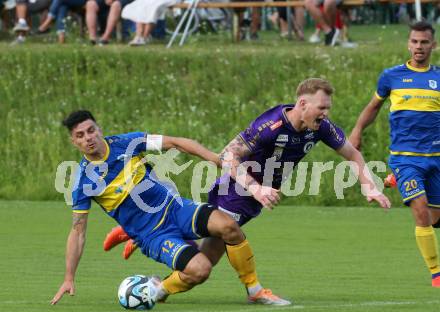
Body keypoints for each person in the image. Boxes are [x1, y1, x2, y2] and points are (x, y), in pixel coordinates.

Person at [104, 78, 391, 283]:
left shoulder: (320, 128)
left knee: (209, 251)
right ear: (303, 103)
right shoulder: (270, 125)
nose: (326, 114)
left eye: (328, 108)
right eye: (322, 108)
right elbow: (229, 155)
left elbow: (353, 154)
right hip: (235, 189)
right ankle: (247, 290)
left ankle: (136, 236)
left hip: (257, 194)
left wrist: (369, 186)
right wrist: (256, 187)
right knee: (210, 253)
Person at [51, 110, 290, 306]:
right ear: (74, 141)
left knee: (229, 226)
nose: (88, 138)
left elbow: (176, 143)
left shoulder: (126, 143)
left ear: (99, 129)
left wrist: (215, 160)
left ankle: (255, 290)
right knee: (200, 271)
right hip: (153, 235)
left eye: (91, 130)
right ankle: (158, 288)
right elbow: (78, 231)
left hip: (176, 209)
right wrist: (69, 277)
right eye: (80, 135)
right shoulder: (83, 182)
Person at [349, 21, 440, 288]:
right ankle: (436, 273)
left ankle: (394, 180)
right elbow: (373, 107)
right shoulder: (392, 76)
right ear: (408, 44)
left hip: (435, 157)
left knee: (433, 219)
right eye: (414, 41)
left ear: (433, 45)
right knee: (420, 211)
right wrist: (356, 131)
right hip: (405, 157)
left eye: (424, 42)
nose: (419, 47)